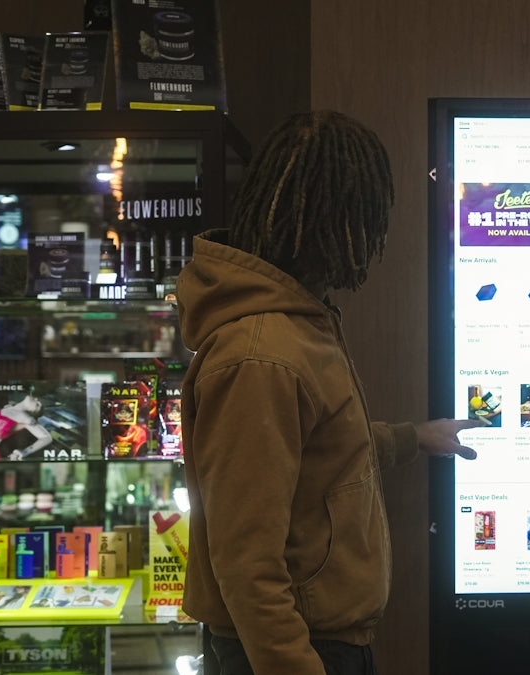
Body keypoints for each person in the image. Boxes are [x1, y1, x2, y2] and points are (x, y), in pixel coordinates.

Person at [176, 110, 486, 675]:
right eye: (369, 217)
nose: (376, 238)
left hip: (315, 639)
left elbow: (316, 454)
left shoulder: (296, 324)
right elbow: (246, 562)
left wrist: (412, 437)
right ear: (337, 224)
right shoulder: (262, 353)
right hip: (287, 649)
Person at [0, 393, 53, 461]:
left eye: (37, 404)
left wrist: (25, 452)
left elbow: (47, 437)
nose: (36, 399)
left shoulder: (26, 419)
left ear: (33, 411)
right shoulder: (9, 407)